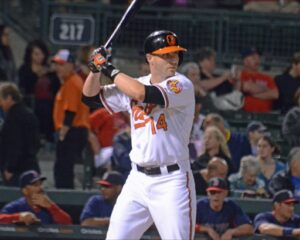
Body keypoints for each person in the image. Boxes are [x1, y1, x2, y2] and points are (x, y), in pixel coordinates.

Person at [82, 30, 196, 239]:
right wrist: (95, 69)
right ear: (149, 58)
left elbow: (143, 94)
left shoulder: (181, 84)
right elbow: (89, 98)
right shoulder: (134, 82)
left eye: (175, 54)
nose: (174, 59)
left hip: (172, 181)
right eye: (166, 55)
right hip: (137, 180)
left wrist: (108, 67)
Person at [52, 49, 90, 189]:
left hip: (72, 131)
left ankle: (65, 202)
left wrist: (62, 133)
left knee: (64, 170)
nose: (57, 68)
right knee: (63, 169)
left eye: (61, 64)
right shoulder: (70, 81)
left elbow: (70, 111)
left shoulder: (72, 82)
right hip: (74, 131)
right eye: (56, 64)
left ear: (71, 65)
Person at [0, 83, 40, 186]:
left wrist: (9, 169)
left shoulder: (12, 119)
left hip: (17, 172)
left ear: (9, 98)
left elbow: (14, 145)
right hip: (32, 167)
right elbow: (36, 143)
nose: (1, 104)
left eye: (1, 100)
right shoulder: (30, 114)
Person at [0, 170, 72, 225]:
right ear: (25, 191)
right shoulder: (16, 206)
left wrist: (51, 206)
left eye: (40, 184)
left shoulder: (49, 206)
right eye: (35, 185)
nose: (40, 188)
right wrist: (18, 217)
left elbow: (68, 223)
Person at [239, 47, 279, 112]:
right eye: (253, 58)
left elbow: (275, 94)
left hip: (265, 115)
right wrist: (267, 90)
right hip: (245, 114)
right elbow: (247, 87)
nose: (257, 60)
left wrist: (251, 94)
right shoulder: (240, 75)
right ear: (245, 61)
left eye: (258, 58)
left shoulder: (267, 78)